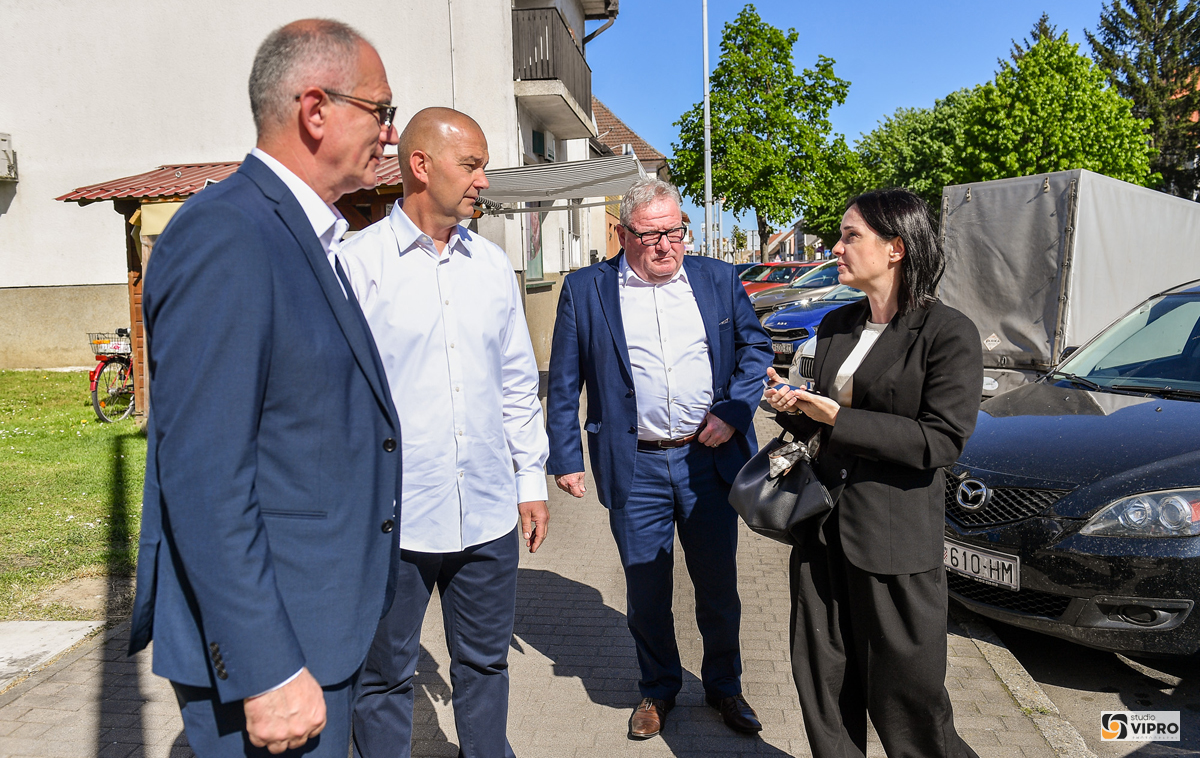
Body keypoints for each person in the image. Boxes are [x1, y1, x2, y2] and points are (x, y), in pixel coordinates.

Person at [128, 20, 402, 757]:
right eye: (381, 110)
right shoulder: (230, 234)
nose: (390, 132)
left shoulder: (300, 234)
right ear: (315, 110)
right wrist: (266, 667)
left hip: (316, 628)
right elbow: (203, 473)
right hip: (276, 652)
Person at [341, 107, 550, 758]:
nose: (484, 180)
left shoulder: (491, 267)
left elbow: (517, 383)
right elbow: (332, 397)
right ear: (421, 165)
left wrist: (531, 480)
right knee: (383, 677)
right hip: (393, 520)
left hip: (487, 513)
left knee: (486, 664)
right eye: (472, 165)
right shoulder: (356, 265)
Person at [546, 178, 773, 740]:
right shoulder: (586, 289)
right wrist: (566, 457)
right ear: (624, 234)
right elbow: (564, 382)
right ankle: (658, 687)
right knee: (646, 591)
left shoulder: (717, 279)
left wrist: (734, 412)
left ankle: (725, 686)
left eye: (675, 231)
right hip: (636, 464)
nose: (666, 245)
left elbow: (755, 349)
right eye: (651, 235)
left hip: (707, 461)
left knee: (717, 586)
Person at [764, 188, 982, 758]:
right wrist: (792, 404)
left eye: (850, 236)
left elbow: (941, 441)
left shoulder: (947, 333)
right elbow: (821, 426)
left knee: (910, 701)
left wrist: (838, 417)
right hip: (821, 530)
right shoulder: (838, 323)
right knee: (825, 687)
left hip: (892, 541)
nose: (836, 248)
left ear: (895, 248)